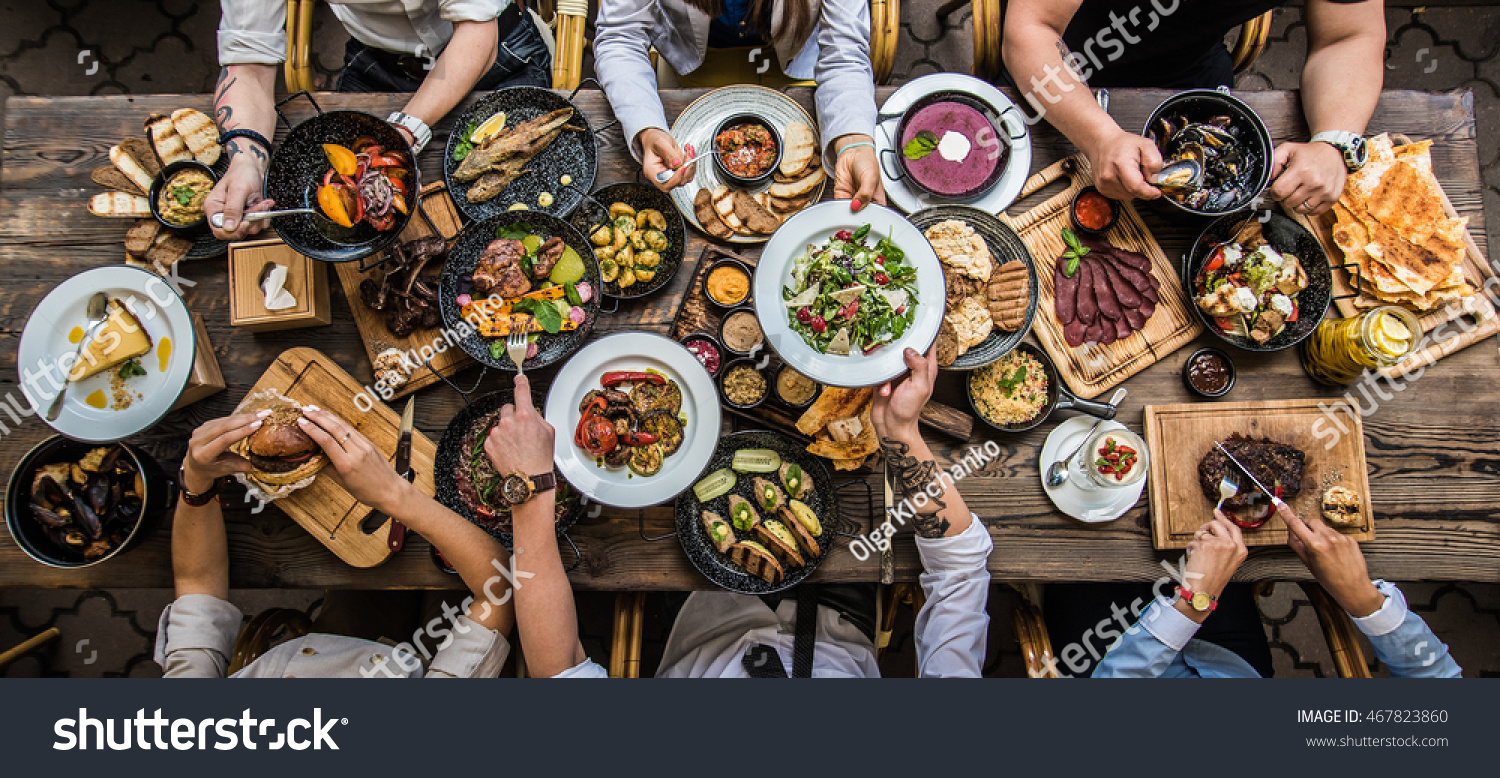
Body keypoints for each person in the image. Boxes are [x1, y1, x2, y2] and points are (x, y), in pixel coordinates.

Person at [489, 348, 992, 678]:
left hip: (703, 615)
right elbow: (961, 571)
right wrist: (903, 434)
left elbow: (558, 669)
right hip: (843, 616)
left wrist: (530, 489)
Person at [155, 406, 517, 678]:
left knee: (368, 581)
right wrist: (393, 494)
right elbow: (497, 587)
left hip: (328, 644)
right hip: (434, 655)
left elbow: (196, 584)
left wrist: (197, 483)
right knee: (447, 585)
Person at [207, 0, 553, 240]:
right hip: (379, 63)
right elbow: (247, 66)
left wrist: (402, 134)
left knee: (521, 208)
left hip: (493, 52)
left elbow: (477, 35)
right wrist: (245, 162)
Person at [1002, 0, 1386, 215]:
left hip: (1190, 68)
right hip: (1057, 64)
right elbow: (1031, 28)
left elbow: (1348, 36)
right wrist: (1099, 137)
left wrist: (1334, 141)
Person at [1083, 508, 1461, 678]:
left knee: (1089, 553)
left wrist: (1194, 606)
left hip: (1107, 654)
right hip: (1229, 664)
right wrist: (1364, 601)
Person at [593, 0, 886, 210]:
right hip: (694, 62)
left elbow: (844, 53)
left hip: (792, 60)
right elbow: (620, 37)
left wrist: (853, 142)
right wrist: (647, 128)